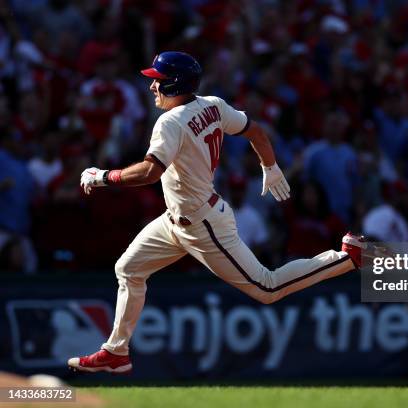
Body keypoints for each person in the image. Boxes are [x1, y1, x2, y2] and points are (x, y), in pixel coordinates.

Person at [68, 51, 365, 374]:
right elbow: (256, 131)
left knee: (267, 288)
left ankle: (346, 258)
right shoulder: (213, 104)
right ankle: (116, 351)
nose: (153, 87)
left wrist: (103, 176)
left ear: (175, 84)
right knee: (128, 269)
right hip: (176, 219)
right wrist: (270, 165)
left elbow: (149, 173)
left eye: (158, 81)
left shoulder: (170, 121)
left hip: (204, 224)